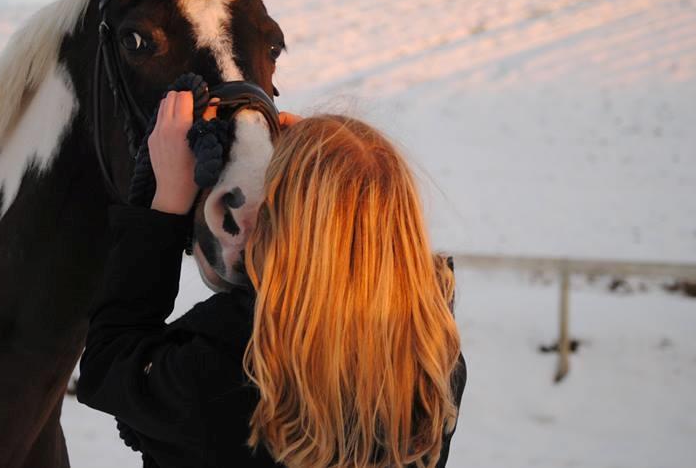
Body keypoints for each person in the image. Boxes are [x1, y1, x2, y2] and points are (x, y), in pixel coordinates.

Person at [77, 91, 466, 468]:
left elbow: (110, 358)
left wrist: (165, 209)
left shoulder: (224, 373)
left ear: (276, 228)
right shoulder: (433, 363)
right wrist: (327, 156)